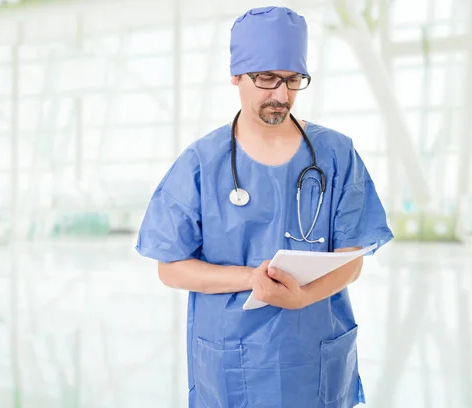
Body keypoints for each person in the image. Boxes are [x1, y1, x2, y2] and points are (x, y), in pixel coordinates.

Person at [136, 5, 394, 408]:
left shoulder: (336, 154)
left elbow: (352, 258)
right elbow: (169, 267)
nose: (281, 95)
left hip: (315, 358)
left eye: (293, 80)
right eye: (267, 79)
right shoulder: (202, 162)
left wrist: (303, 297)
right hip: (231, 360)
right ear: (236, 76)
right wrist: (252, 279)